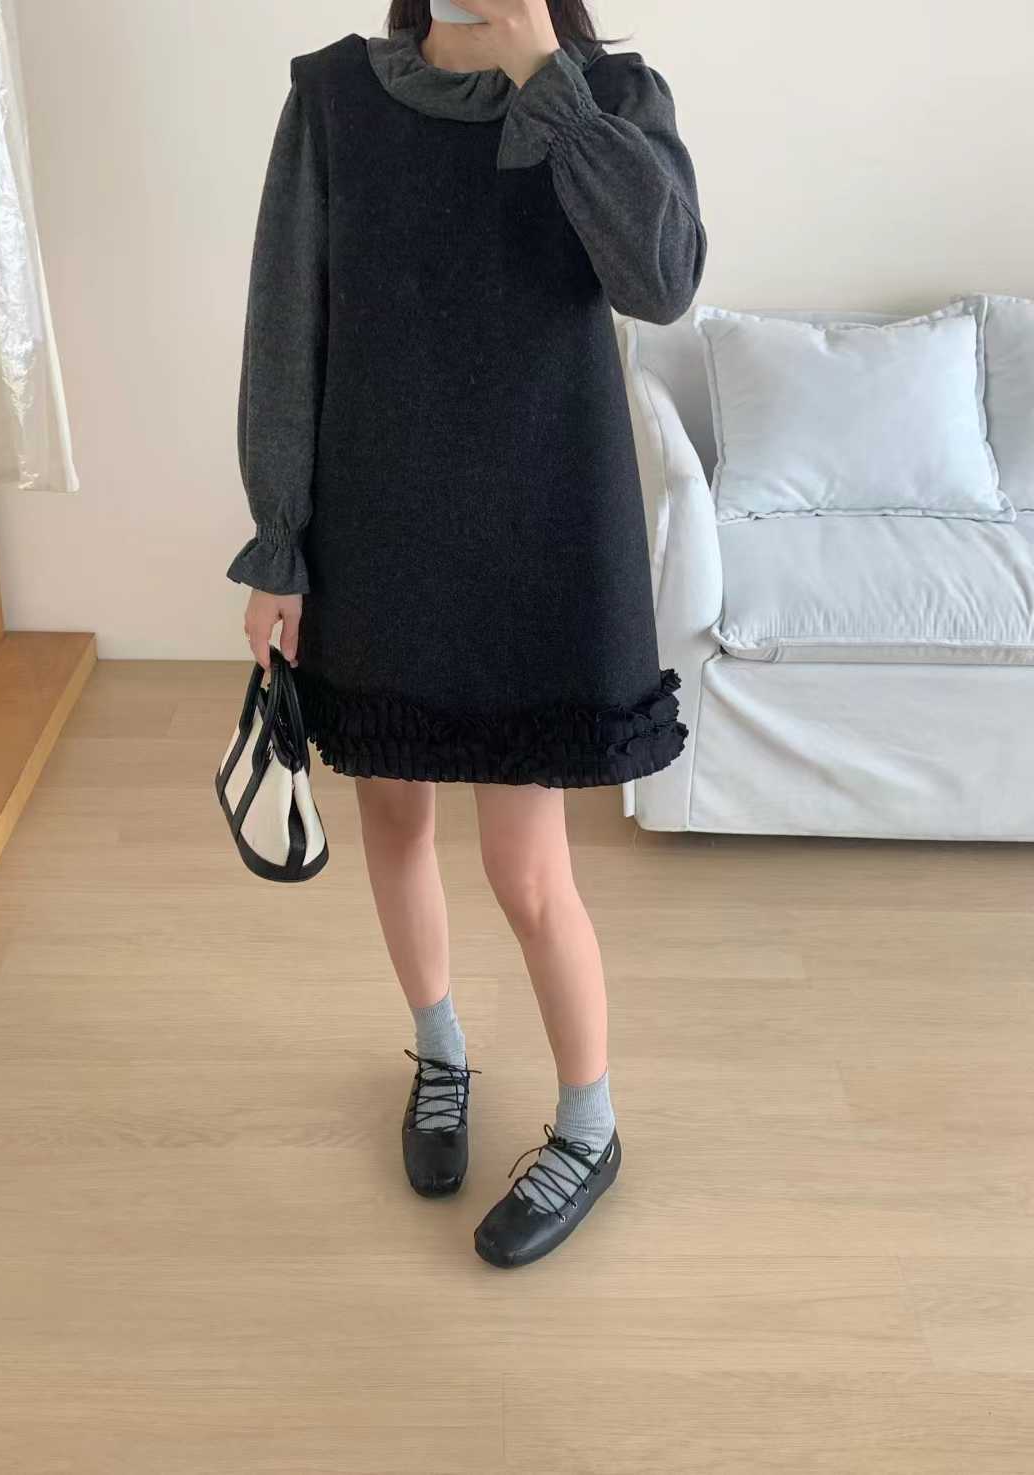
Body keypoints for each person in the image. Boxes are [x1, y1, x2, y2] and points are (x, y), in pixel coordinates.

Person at [227, 0, 706, 1268]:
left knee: (526, 868)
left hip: (541, 534)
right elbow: (287, 325)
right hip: (380, 532)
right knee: (392, 819)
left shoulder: (614, 98)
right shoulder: (337, 99)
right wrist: (279, 542)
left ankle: (591, 1126)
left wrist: (549, 78)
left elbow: (661, 282)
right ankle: (440, 1052)